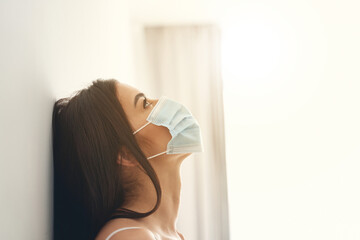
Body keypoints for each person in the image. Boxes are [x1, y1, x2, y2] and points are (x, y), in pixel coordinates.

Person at [52, 78, 203, 240]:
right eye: (145, 104)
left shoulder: (169, 235)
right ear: (126, 154)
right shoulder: (131, 236)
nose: (160, 102)